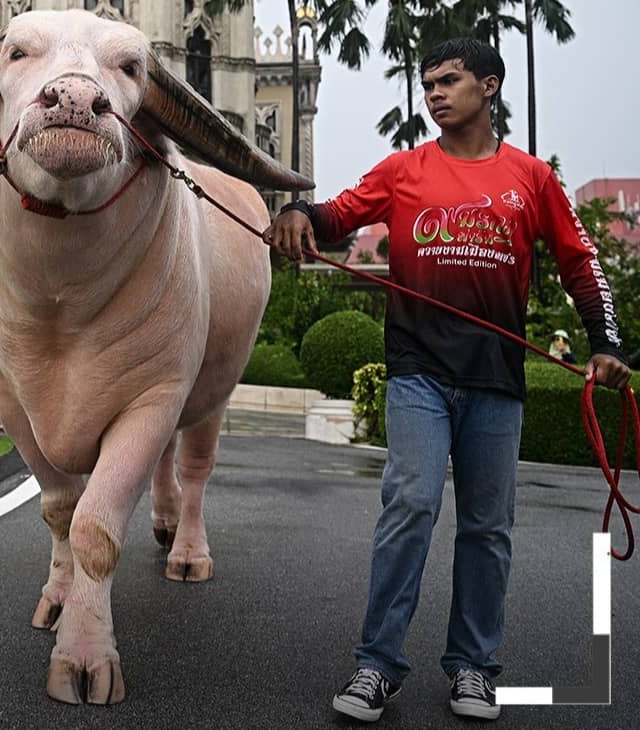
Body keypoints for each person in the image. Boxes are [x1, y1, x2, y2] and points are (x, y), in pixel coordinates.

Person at [265, 38, 632, 723]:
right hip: (418, 375)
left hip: (495, 379)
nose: (433, 92)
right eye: (426, 81)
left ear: (488, 87)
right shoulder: (404, 170)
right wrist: (298, 216)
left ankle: (472, 669)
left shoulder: (531, 178)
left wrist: (606, 342)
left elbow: (583, 261)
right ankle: (376, 666)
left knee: (488, 529)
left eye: (449, 80)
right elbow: (336, 215)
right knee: (409, 507)